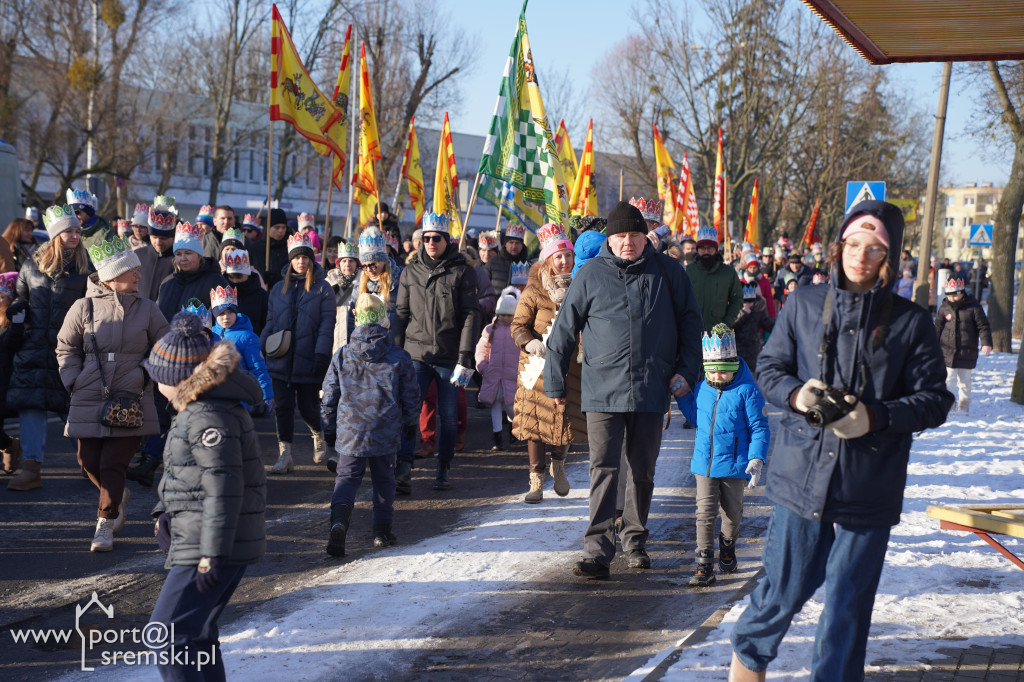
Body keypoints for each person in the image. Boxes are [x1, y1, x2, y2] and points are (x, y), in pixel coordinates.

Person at [729, 200, 954, 681]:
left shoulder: (912, 323)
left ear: (889, 258)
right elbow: (768, 368)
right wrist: (795, 395)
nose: (861, 256)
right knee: (779, 595)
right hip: (799, 477)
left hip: (868, 487)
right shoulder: (804, 304)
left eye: (875, 248)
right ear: (839, 246)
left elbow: (936, 401)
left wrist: (876, 416)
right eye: (854, 244)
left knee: (847, 611)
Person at [545, 201, 703, 579]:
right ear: (609, 240)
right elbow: (564, 331)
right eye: (620, 236)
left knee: (643, 470)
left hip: (652, 387)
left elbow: (691, 324)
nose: (627, 242)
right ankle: (597, 549)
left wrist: (687, 372)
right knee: (603, 468)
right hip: (602, 388)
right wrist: (555, 382)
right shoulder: (591, 274)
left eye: (633, 234)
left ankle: (635, 540)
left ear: (644, 236)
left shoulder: (669, 273)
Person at [145, 312, 265, 681]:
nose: (154, 383)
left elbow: (223, 486)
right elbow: (187, 475)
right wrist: (163, 513)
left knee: (166, 635)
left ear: (176, 379)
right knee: (197, 635)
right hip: (203, 539)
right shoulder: (198, 409)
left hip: (210, 546)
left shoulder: (206, 415)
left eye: (157, 377)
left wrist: (210, 554)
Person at [56, 236, 169, 551]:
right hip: (88, 393)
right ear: (112, 276)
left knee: (113, 464)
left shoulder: (148, 308)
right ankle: (118, 495)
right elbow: (66, 346)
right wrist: (72, 379)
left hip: (132, 397)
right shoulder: (83, 306)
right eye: (132, 271)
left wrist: (145, 374)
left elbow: (165, 345)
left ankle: (104, 524)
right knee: (87, 459)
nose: (139, 275)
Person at [321, 293, 418, 556]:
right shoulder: (399, 356)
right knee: (384, 481)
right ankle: (381, 532)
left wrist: (329, 432)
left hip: (350, 431)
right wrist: (410, 426)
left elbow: (329, 397)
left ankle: (339, 523)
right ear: (383, 320)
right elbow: (411, 397)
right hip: (385, 430)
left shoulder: (342, 355)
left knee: (346, 480)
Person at [6, 204, 93, 491]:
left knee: (74, 409)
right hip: (32, 348)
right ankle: (31, 468)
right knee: (32, 407)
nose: (75, 235)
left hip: (69, 350)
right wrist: (18, 311)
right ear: (55, 235)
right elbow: (21, 296)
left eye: (77, 231)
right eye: (69, 230)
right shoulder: (31, 265)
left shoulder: (85, 269)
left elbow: (94, 308)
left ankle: (89, 463)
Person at [675, 323, 769, 586]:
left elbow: (759, 427)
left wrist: (756, 457)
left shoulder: (748, 391)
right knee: (704, 513)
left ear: (734, 367)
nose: (717, 375)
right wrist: (683, 397)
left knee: (732, 514)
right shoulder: (703, 388)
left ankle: (727, 544)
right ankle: (704, 563)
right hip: (704, 464)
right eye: (712, 370)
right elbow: (696, 417)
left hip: (735, 465)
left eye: (722, 371)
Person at [395, 212, 479, 491]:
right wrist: (396, 353)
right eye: (426, 238)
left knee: (448, 415)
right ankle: (403, 470)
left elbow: (470, 316)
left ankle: (443, 469)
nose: (431, 243)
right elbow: (401, 314)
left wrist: (465, 355)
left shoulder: (463, 271)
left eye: (437, 238)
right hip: (415, 355)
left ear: (447, 240)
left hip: (449, 356)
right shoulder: (409, 271)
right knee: (409, 412)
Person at [512, 224, 587, 503]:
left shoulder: (581, 287)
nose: (564, 261)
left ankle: (560, 464)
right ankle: (535, 480)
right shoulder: (533, 292)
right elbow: (518, 325)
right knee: (535, 424)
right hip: (537, 368)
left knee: (564, 421)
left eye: (568, 256)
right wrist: (528, 341)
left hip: (570, 367)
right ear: (548, 260)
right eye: (558, 257)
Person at [261, 232, 336, 474]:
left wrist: (321, 355)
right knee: (282, 407)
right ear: (291, 260)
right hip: (280, 357)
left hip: (309, 358)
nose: (301, 261)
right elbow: (271, 320)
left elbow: (327, 325)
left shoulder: (323, 289)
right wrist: (263, 344)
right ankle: (285, 455)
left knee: (307, 407)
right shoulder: (277, 289)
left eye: (305, 257)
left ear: (311, 260)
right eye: (296, 258)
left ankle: (318, 434)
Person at [211, 285, 273, 416]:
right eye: (221, 313)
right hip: (216, 395)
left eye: (230, 312)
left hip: (240, 394)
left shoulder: (247, 337)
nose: (226, 317)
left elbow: (258, 368)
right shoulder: (211, 335)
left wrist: (266, 395)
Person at [935, 277, 992, 416]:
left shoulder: (973, 307)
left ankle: (964, 406)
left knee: (965, 380)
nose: (952, 298)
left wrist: (986, 343)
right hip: (947, 351)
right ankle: (950, 406)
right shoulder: (944, 308)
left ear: (962, 293)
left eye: (955, 295)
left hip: (967, 351)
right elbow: (937, 327)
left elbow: (983, 326)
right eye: (949, 295)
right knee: (949, 380)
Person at [476, 287, 520, 451]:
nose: (506, 318)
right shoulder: (490, 330)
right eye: (503, 314)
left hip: (511, 375)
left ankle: (512, 427)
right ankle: (498, 437)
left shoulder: (518, 330)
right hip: (493, 374)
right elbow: (482, 349)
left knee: (510, 405)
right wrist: (482, 366)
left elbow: (524, 351)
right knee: (494, 405)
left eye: (509, 315)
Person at [687, 226, 743, 332]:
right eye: (702, 248)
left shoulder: (729, 273)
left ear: (716, 250)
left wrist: (726, 324)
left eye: (710, 248)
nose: (706, 251)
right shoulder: (688, 271)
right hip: (692, 332)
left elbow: (737, 300)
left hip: (718, 335)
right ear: (697, 250)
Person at [0, 272, 24, 475]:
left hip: (6, 378)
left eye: (2, 296)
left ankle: (9, 445)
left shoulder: (15, 321)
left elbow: (13, 344)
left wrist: (16, 322)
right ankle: (9, 445)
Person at [222, 249, 268, 335]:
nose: (235, 281)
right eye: (232, 277)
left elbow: (266, 325)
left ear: (248, 275)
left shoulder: (262, 296)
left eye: (239, 277)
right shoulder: (220, 294)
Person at [328, 241, 361, 352]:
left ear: (356, 264)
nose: (347, 264)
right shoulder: (328, 283)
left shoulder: (364, 283)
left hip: (356, 337)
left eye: (351, 261)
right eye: (344, 261)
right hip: (334, 336)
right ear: (339, 264)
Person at [733, 283, 772, 372]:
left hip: (752, 348)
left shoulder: (758, 311)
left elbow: (768, 325)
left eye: (749, 302)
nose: (747, 305)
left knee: (751, 372)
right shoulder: (735, 311)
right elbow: (732, 325)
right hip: (738, 347)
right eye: (744, 302)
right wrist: (743, 314)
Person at [484, 222, 531, 292]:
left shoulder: (529, 266)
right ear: (506, 244)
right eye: (511, 242)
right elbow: (484, 286)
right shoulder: (492, 263)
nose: (514, 246)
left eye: (517, 243)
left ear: (522, 245)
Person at [262, 208, 291, 288]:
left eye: (283, 227)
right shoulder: (257, 247)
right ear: (268, 227)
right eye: (277, 227)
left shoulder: (290, 247)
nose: (281, 231)